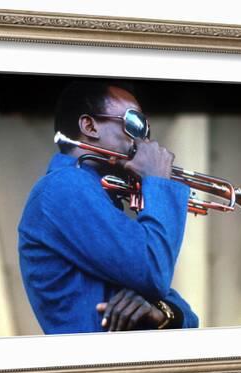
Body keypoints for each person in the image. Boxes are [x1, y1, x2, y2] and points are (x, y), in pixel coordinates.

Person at [18, 80, 198, 334]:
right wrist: (158, 182)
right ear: (89, 126)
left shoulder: (93, 191)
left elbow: (184, 311)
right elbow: (153, 270)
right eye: (135, 124)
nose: (143, 139)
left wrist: (164, 312)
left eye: (145, 129)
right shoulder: (65, 186)